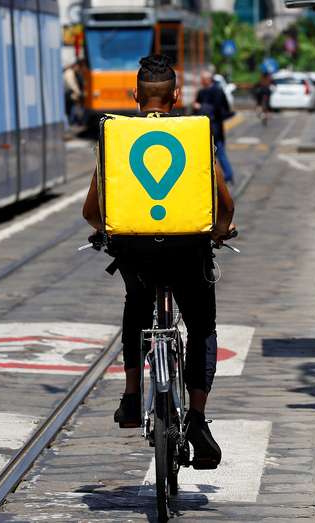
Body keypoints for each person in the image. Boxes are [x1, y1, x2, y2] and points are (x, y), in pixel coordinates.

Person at [82, 54, 235, 469]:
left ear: (135, 96)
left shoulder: (117, 137)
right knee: (202, 326)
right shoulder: (194, 134)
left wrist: (105, 230)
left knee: (136, 306)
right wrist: (219, 231)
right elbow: (225, 203)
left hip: (137, 255)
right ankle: (198, 420)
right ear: (177, 96)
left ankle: (132, 397)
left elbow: (92, 211)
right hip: (189, 253)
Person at [194, 70, 235, 185]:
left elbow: (219, 108)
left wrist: (201, 106)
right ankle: (225, 175)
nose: (201, 81)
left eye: (203, 79)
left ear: (208, 79)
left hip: (215, 126)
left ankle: (227, 175)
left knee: (219, 151)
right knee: (214, 153)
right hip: (205, 126)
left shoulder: (217, 91)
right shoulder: (201, 91)